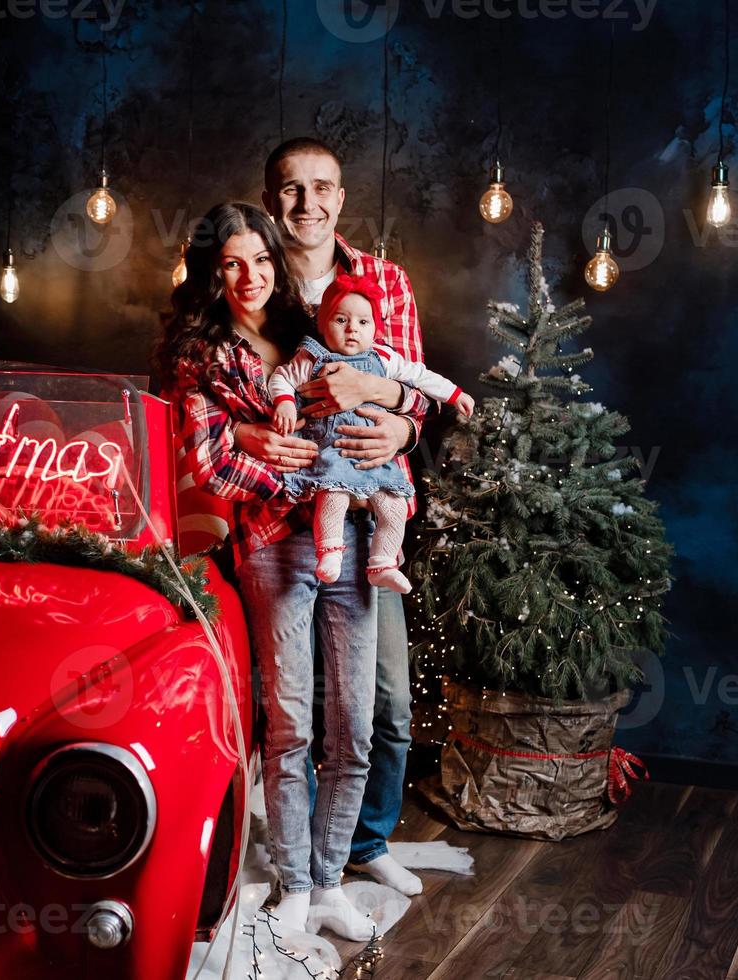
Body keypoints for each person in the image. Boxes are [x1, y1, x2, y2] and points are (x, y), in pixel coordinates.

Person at [157, 201, 379, 941]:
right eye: (230, 264)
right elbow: (207, 461)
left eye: (258, 260)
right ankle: (292, 882)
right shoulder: (200, 353)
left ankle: (329, 879)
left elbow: (375, 385)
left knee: (353, 727)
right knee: (289, 725)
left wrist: (351, 443)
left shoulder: (309, 329)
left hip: (347, 528)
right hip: (271, 542)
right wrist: (263, 454)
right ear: (211, 274)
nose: (248, 277)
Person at [251, 137, 432, 896]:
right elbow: (220, 388)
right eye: (291, 190)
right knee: (291, 707)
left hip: (370, 513)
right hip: (280, 516)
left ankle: (366, 839)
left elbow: (416, 393)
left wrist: (399, 417)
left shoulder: (384, 282)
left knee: (385, 699)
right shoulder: (255, 285)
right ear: (271, 202)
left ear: (342, 198)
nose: (308, 204)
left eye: (322, 187)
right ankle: (291, 857)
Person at [269, 273, 474, 594]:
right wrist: (284, 403)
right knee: (332, 498)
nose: (353, 328)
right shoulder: (311, 358)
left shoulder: (384, 357)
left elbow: (420, 376)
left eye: (364, 322)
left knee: (394, 508)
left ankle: (382, 562)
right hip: (333, 454)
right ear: (323, 324)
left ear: (375, 328)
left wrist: (454, 394)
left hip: (375, 460)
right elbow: (281, 378)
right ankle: (330, 554)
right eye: (341, 319)